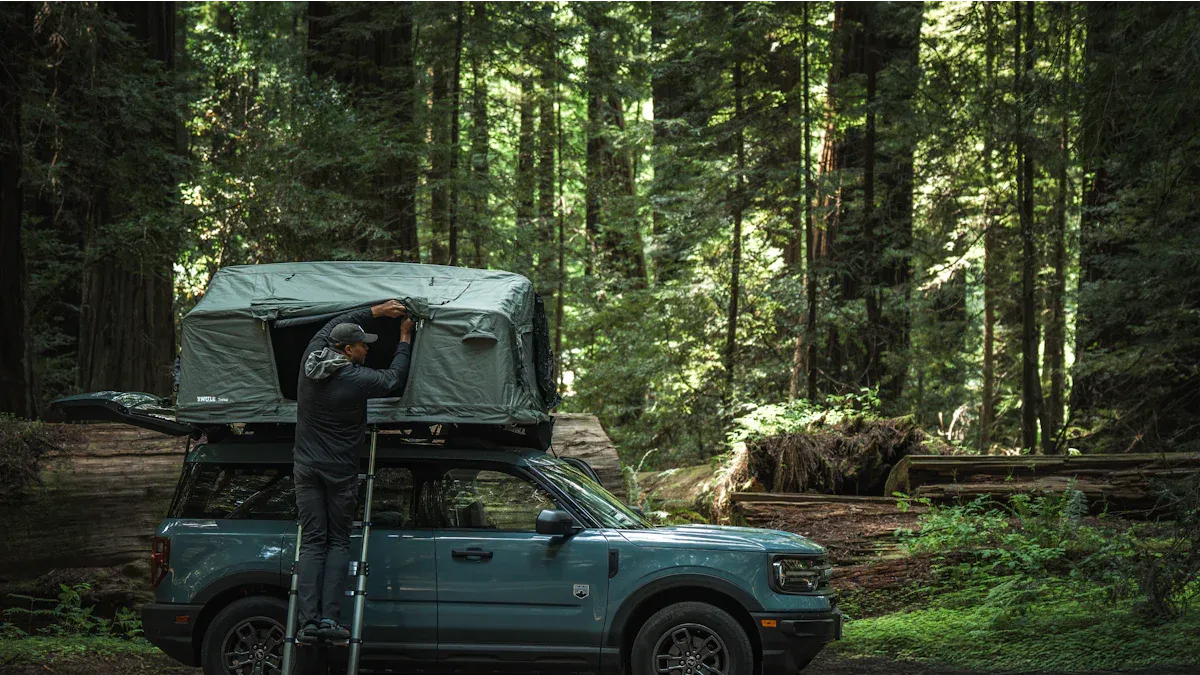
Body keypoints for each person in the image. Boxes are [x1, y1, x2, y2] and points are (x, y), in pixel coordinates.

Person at [292, 299, 414, 644]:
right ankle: (330, 620)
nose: (366, 349)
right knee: (338, 542)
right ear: (347, 350)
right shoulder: (355, 377)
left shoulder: (310, 359)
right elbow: (394, 378)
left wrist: (375, 311)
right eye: (362, 345)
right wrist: (404, 338)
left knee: (313, 543)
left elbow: (332, 324)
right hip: (340, 472)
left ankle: (307, 624)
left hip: (305, 468)